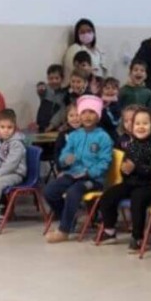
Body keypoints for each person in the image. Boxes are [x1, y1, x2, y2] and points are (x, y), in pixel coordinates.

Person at [44, 95, 114, 243]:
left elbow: (105, 162)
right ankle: (69, 218)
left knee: (74, 191)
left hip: (93, 179)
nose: (87, 116)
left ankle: (64, 230)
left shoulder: (104, 137)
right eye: (84, 112)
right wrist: (65, 160)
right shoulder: (75, 135)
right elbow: (64, 154)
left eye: (91, 112)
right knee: (50, 190)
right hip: (73, 174)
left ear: (98, 115)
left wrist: (89, 172)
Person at [95, 108, 151, 251]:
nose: (141, 127)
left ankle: (137, 237)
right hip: (132, 182)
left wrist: (135, 167)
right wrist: (124, 169)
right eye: (137, 123)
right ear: (132, 127)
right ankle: (109, 231)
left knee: (137, 199)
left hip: (150, 185)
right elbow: (126, 168)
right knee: (109, 195)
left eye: (145, 123)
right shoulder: (131, 145)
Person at [35, 64, 68, 133]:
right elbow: (40, 89)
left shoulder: (64, 94)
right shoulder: (46, 90)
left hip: (55, 127)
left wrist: (52, 126)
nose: (54, 81)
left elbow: (61, 113)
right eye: (51, 78)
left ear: (62, 79)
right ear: (48, 78)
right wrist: (40, 87)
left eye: (56, 78)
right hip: (41, 125)